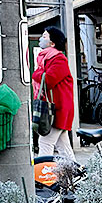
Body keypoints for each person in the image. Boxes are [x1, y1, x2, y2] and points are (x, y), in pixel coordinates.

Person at [32, 26, 76, 161]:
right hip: (54, 108)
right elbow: (44, 76)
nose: (40, 39)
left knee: (45, 142)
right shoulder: (46, 59)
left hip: (58, 109)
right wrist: (41, 73)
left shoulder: (59, 59)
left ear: (53, 43)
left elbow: (49, 80)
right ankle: (76, 175)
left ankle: (43, 177)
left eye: (45, 36)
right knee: (63, 147)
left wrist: (36, 73)